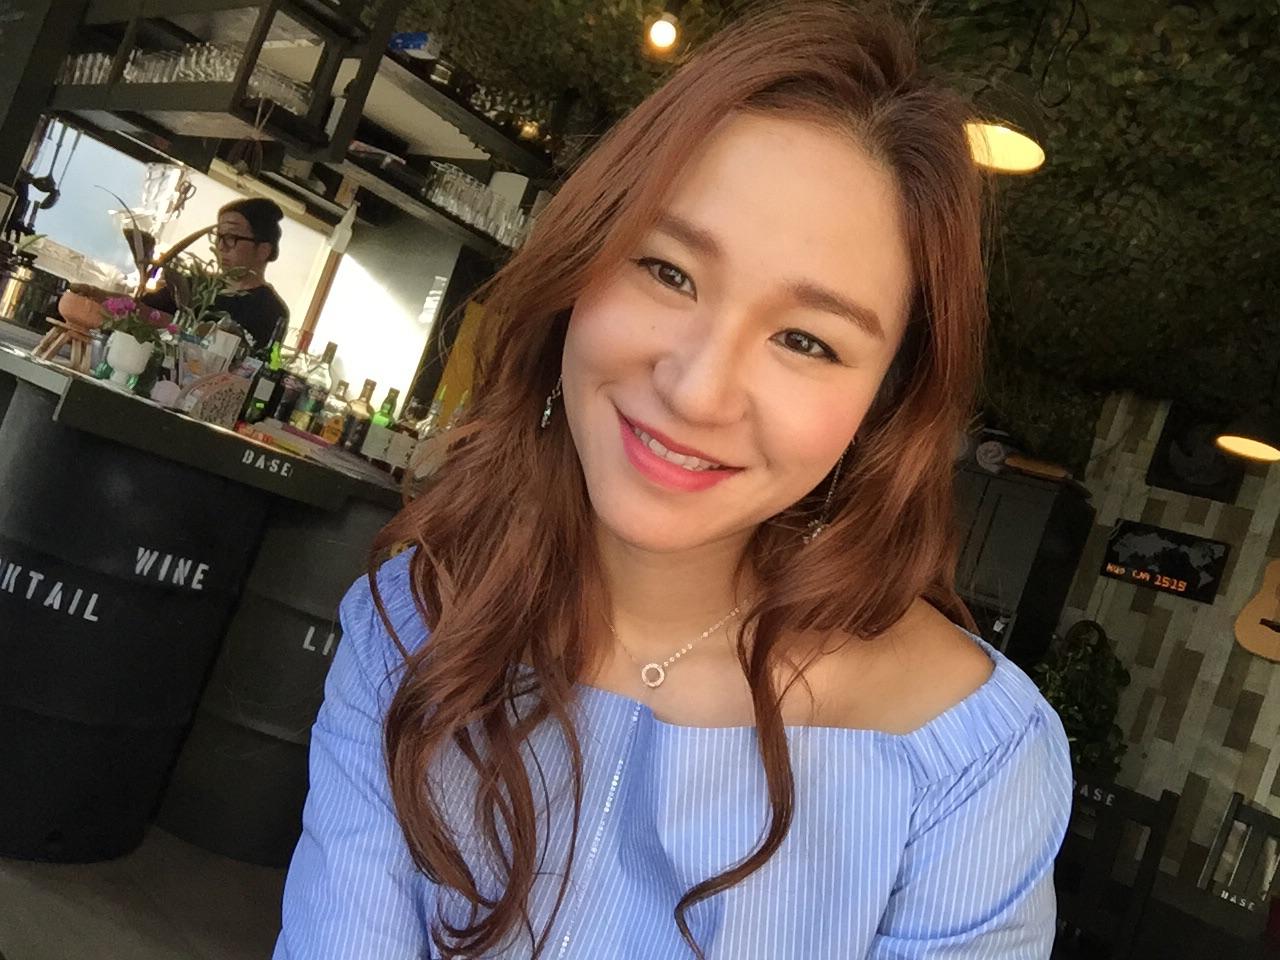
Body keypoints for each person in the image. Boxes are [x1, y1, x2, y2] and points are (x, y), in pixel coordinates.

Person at [274, 4, 1073, 959]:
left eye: (806, 340)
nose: (698, 390)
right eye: (667, 271)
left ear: (884, 402)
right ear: (581, 263)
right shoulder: (413, 625)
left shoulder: (974, 766)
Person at [142, 197, 290, 351]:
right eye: (218, 236)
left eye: (231, 238)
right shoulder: (191, 285)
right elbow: (140, 311)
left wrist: (174, 324)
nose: (221, 246)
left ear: (263, 250)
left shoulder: (270, 311)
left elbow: (242, 357)